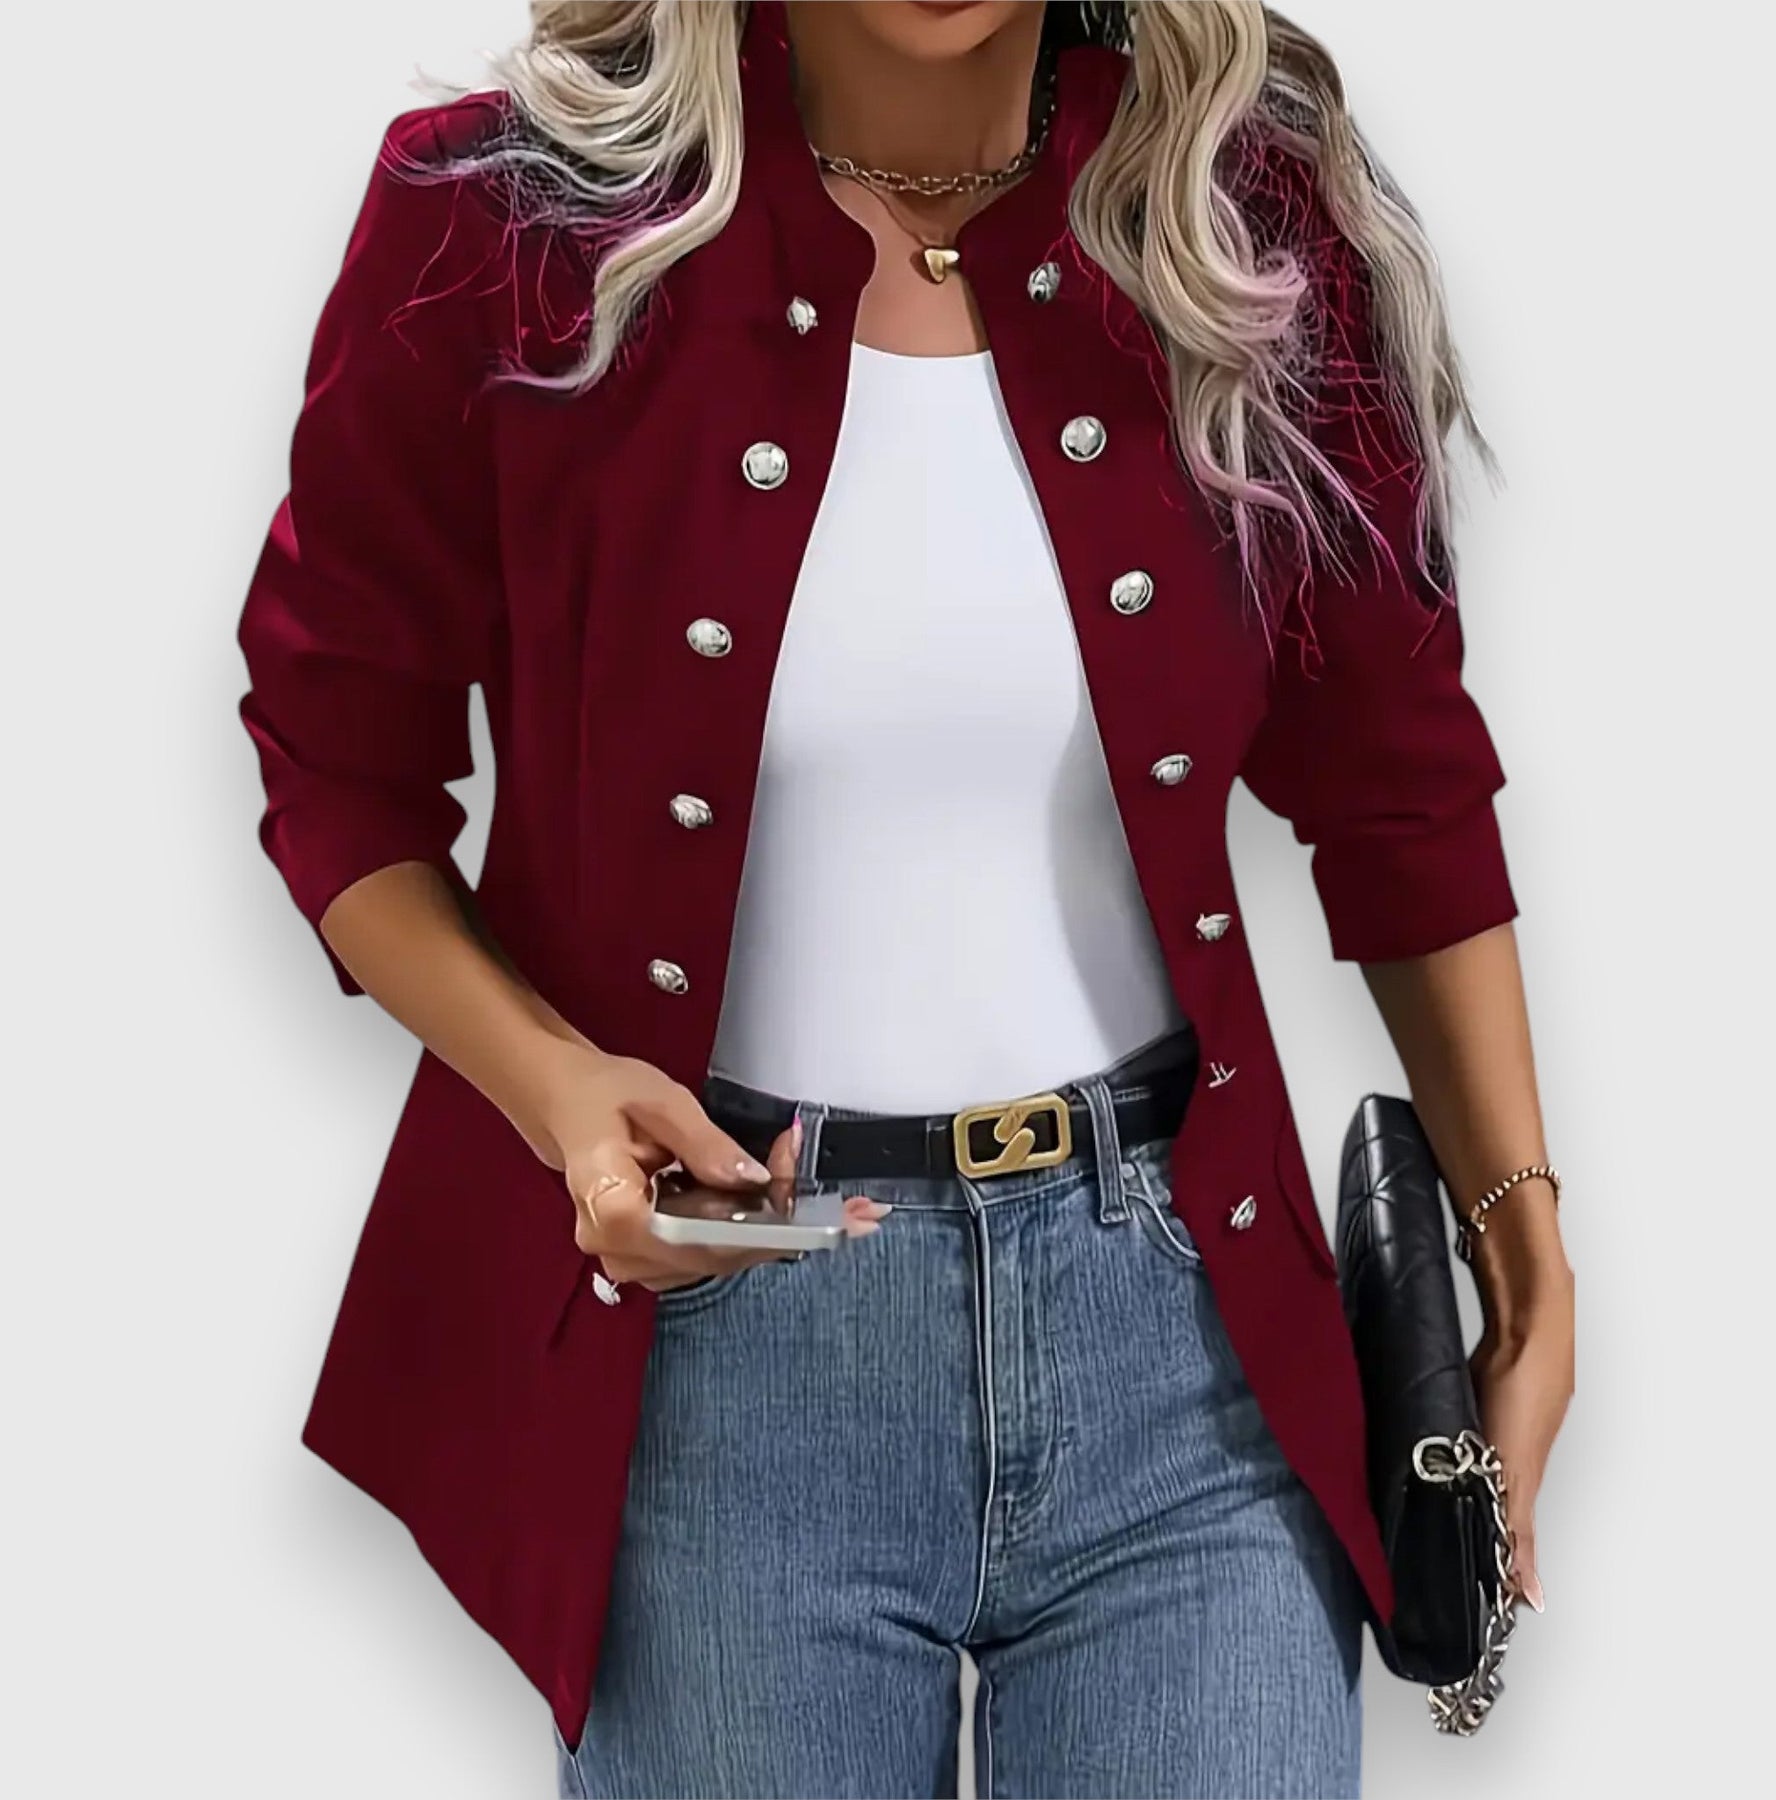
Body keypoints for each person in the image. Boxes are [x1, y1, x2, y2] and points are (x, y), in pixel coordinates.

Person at [234, 2, 1576, 1794]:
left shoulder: (1240, 217)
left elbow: (1397, 781)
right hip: (720, 1339)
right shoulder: (500, 226)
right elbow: (338, 765)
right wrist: (557, 1091)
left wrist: (1522, 1245)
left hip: (1180, 1342)